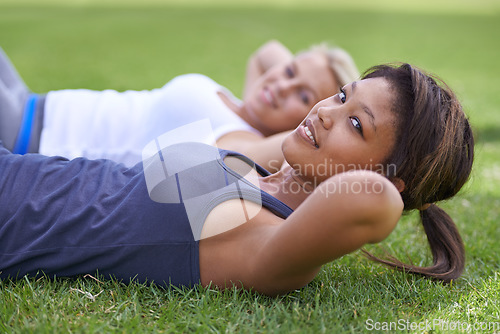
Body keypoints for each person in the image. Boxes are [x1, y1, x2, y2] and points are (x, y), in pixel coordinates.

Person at [0, 63, 474, 296]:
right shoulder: (261, 170)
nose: (326, 112)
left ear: (386, 175)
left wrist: (390, 177)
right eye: (340, 95)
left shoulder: (268, 243)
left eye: (356, 124)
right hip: (19, 172)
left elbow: (376, 200)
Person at [0, 41, 359, 170]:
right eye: (289, 72)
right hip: (33, 102)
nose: (281, 86)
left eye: (303, 97)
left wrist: (324, 108)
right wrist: (309, 73)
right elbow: (267, 51)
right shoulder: (242, 104)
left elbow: (306, 152)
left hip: (27, 138)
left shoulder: (240, 144)